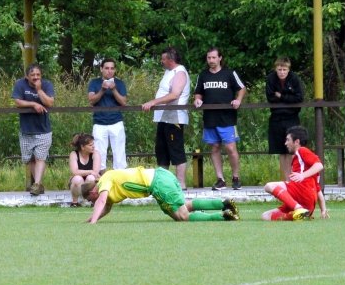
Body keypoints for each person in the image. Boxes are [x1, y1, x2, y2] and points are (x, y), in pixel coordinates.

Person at [82, 167, 239, 223]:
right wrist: (91, 219)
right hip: (161, 177)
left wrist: (93, 223)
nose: (92, 203)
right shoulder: (107, 188)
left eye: (90, 200)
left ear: (92, 191)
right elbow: (106, 207)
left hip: (158, 184)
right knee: (181, 209)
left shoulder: (103, 181)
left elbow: (101, 200)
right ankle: (223, 203)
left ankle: (223, 216)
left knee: (181, 216)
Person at [193, 47, 246, 190]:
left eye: (214, 57)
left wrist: (238, 100)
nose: (211, 60)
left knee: (230, 147)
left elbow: (241, 88)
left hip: (227, 117)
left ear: (220, 58)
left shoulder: (229, 73)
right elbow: (198, 93)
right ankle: (220, 179)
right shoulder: (203, 75)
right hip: (210, 117)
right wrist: (197, 100)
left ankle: (236, 177)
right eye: (209, 58)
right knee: (215, 147)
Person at [141, 47, 190, 190]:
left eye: (163, 59)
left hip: (174, 117)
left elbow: (175, 94)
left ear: (171, 59)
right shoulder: (169, 72)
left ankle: (181, 184)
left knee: (176, 150)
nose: (161, 62)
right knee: (161, 150)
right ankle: (164, 182)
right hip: (163, 117)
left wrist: (153, 102)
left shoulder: (180, 72)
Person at [261, 126, 328, 221]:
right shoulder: (305, 165)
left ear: (297, 142)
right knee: (266, 216)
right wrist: (323, 210)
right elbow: (318, 190)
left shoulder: (302, 150)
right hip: (307, 204)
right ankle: (299, 214)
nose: (285, 143)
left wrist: (302, 175)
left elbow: (319, 165)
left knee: (269, 186)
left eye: (288, 140)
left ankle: (298, 209)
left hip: (302, 192)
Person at [12, 63, 55, 196]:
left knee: (40, 158)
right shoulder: (20, 84)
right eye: (32, 75)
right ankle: (38, 185)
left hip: (43, 129)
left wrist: (39, 90)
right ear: (27, 76)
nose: (36, 77)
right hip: (26, 129)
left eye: (38, 75)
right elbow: (17, 102)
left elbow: (49, 102)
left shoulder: (46, 85)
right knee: (29, 159)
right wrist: (33, 104)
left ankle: (36, 183)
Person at [265, 56, 304, 181]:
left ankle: (294, 178)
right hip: (276, 117)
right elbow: (270, 97)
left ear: (288, 69)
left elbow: (299, 98)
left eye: (284, 69)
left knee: (292, 150)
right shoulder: (271, 79)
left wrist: (281, 95)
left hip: (292, 117)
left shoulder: (294, 79)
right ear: (276, 69)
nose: (282, 72)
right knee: (282, 150)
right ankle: (285, 180)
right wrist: (288, 97)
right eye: (279, 69)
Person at [87, 58, 128, 173]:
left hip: (116, 122)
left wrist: (114, 89)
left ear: (114, 70)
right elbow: (91, 100)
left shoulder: (119, 83)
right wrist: (102, 90)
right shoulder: (94, 83)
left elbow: (123, 102)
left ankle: (119, 182)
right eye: (106, 68)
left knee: (119, 155)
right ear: (101, 69)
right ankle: (101, 182)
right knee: (99, 155)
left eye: (112, 68)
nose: (109, 71)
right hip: (99, 123)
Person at [68, 133, 101, 207]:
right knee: (77, 178)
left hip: (91, 181)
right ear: (82, 147)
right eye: (90, 145)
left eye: (93, 144)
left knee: (91, 178)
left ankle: (92, 201)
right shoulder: (73, 154)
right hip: (77, 183)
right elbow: (74, 171)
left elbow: (95, 172)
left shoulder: (96, 154)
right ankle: (75, 203)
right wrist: (90, 171)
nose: (93, 147)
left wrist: (91, 172)